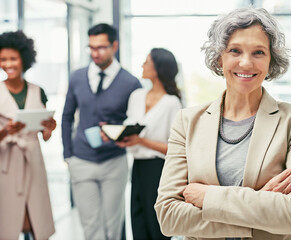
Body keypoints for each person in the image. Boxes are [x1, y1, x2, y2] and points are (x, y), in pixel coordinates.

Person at [155, 7, 291, 240]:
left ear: (271, 60)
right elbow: (168, 216)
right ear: (219, 58)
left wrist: (208, 198)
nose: (246, 63)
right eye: (235, 50)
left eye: (258, 52)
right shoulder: (187, 122)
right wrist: (260, 204)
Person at [62, 23, 141, 240]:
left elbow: (135, 121)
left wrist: (117, 131)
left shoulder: (131, 83)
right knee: (90, 226)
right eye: (91, 48)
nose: (95, 53)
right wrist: (68, 155)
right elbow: (67, 116)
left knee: (112, 226)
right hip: (81, 160)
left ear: (114, 46)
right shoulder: (77, 77)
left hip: (113, 162)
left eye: (101, 47)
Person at [113, 48, 182, 239]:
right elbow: (130, 126)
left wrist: (141, 141)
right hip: (138, 167)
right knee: (138, 220)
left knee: (157, 225)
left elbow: (175, 149)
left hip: (159, 169)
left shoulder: (172, 103)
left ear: (159, 68)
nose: (142, 65)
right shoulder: (136, 96)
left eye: (147, 62)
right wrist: (120, 137)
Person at [0, 31, 56, 240]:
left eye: (12, 58)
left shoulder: (38, 91)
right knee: (8, 221)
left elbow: (45, 135)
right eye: (3, 59)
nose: (8, 64)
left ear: (24, 58)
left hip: (33, 160)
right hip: (6, 163)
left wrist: (49, 128)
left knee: (36, 218)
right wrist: (6, 131)